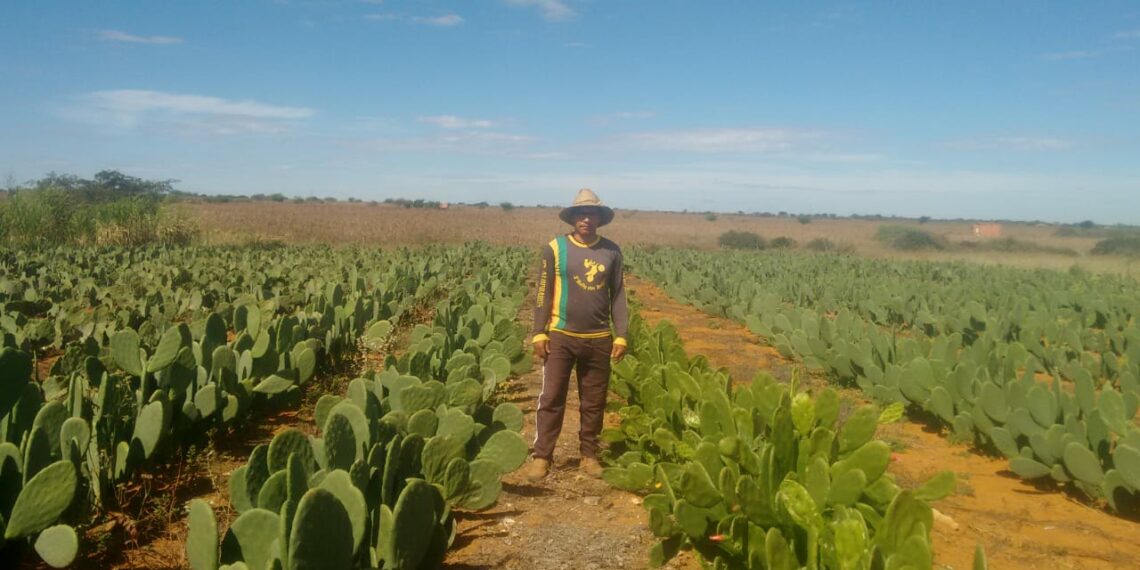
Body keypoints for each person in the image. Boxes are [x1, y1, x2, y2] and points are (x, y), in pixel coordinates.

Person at [524, 188, 628, 482]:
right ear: (572, 218)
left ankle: (589, 456)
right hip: (560, 335)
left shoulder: (612, 251)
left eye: (591, 213)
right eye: (580, 214)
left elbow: (618, 295)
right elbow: (543, 294)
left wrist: (621, 335)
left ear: (599, 218)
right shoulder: (555, 248)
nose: (586, 218)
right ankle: (542, 456)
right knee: (552, 397)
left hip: (598, 338)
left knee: (593, 401)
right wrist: (538, 333)